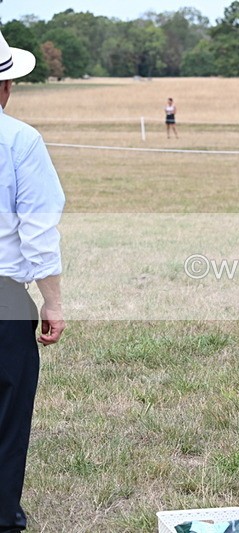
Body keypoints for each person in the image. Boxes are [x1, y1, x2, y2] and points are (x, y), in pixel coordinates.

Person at [0, 29, 66, 533]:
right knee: (6, 417)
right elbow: (38, 229)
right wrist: (53, 302)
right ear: (6, 87)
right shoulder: (20, 140)